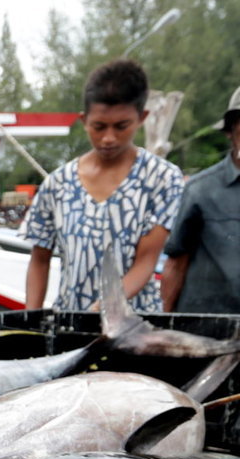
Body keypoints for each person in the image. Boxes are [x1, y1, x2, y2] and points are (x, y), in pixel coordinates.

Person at [23, 59, 183, 312]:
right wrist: (28, 323)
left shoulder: (162, 178)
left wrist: (101, 311)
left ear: (142, 117)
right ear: (84, 120)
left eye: (121, 126)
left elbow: (146, 262)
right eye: (99, 127)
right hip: (70, 323)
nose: (108, 138)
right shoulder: (58, 184)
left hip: (135, 326)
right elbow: (39, 261)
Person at [161, 86, 240, 313]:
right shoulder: (200, 190)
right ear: (230, 131)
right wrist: (165, 326)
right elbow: (176, 264)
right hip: (205, 330)